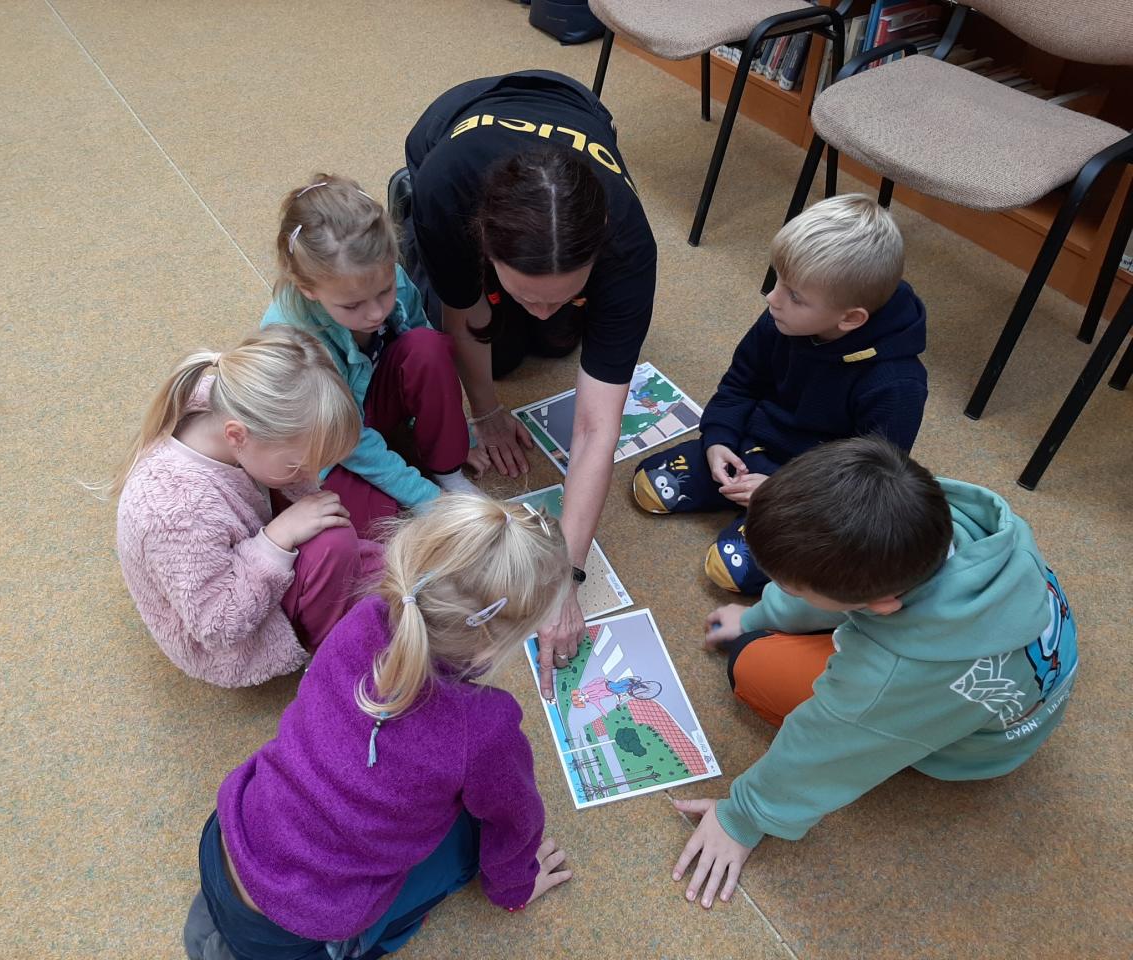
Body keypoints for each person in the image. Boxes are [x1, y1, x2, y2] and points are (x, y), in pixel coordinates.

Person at [672, 437, 1078, 909]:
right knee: (781, 625)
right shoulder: (936, 516)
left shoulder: (891, 680)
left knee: (751, 665)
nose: (779, 589)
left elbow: (824, 744)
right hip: (995, 661)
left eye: (790, 588)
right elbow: (843, 594)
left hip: (973, 749)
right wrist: (762, 613)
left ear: (881, 605)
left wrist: (741, 817)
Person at [183, 493, 577, 960]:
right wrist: (514, 888)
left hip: (226, 840)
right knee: (468, 846)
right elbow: (515, 822)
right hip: (301, 930)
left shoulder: (363, 616)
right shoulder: (486, 725)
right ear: (492, 647)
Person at [400, 70, 658, 689]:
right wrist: (487, 412)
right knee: (497, 349)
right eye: (527, 292)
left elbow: (596, 430)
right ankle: (409, 216)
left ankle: (541, 297)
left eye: (563, 293)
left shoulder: (630, 247)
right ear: (485, 248)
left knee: (555, 339)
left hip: (572, 103)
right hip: (447, 136)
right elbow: (464, 318)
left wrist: (565, 576)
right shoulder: (450, 192)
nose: (543, 307)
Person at [631, 194, 927, 595]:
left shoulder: (897, 385)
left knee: (734, 568)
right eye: (778, 281)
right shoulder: (783, 319)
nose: (772, 298)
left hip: (816, 487)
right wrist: (718, 440)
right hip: (752, 445)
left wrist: (780, 494)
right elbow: (740, 383)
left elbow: (868, 483)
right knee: (651, 484)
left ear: (850, 318)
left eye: (795, 295)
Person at [111, 327, 381, 687]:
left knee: (361, 520)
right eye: (297, 466)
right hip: (234, 636)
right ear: (237, 436)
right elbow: (217, 625)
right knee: (336, 542)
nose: (311, 475)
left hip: (247, 551)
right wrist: (278, 537)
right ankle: (326, 654)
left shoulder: (236, 406)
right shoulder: (173, 509)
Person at [262, 174, 483, 539]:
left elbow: (425, 346)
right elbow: (345, 438)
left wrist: (455, 445)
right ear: (308, 289)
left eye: (385, 291)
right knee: (374, 522)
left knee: (429, 346)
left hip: (366, 408)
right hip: (327, 439)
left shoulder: (386, 273)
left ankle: (446, 468)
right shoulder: (291, 336)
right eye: (352, 305)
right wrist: (427, 498)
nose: (376, 313)